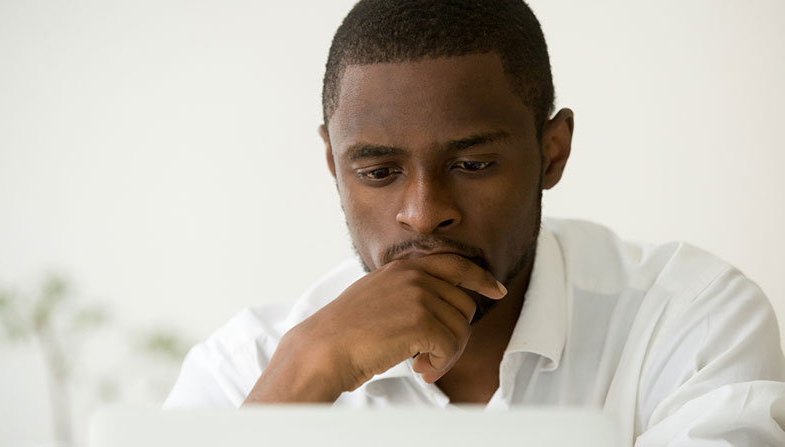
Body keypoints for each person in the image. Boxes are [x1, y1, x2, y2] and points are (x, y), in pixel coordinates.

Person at [164, 0, 785, 445]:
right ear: (333, 164)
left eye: (472, 164)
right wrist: (305, 375)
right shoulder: (246, 367)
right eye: (379, 172)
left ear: (552, 152)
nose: (424, 212)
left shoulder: (689, 320)